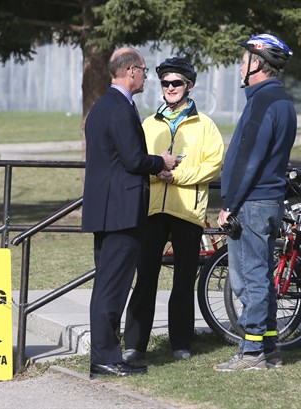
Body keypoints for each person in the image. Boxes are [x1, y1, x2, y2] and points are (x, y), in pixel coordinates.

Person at [82, 47, 180, 378]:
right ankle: (106, 358)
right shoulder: (120, 108)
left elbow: (114, 161)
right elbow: (133, 160)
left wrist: (152, 168)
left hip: (106, 209)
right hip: (121, 213)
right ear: (132, 71)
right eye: (145, 70)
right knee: (112, 288)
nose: (146, 77)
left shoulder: (101, 107)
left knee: (107, 286)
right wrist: (162, 162)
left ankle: (105, 355)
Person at [122, 57, 224, 363]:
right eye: (165, 83)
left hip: (188, 212)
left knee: (183, 281)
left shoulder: (205, 125)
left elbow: (214, 164)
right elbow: (136, 159)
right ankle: (135, 344)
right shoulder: (148, 123)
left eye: (176, 83)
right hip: (151, 211)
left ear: (188, 86)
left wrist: (177, 176)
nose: (170, 88)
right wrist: (157, 172)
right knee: (146, 278)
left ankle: (181, 342)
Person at [215, 34, 297, 371]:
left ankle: (251, 354)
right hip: (267, 202)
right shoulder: (281, 101)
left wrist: (229, 203)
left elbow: (248, 159)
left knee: (249, 278)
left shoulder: (262, 102)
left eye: (244, 59)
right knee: (260, 276)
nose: (239, 66)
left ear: (258, 64)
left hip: (252, 202)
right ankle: (270, 349)